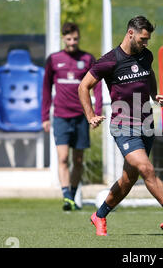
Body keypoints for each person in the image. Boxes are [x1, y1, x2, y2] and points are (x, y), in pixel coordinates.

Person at [78, 16, 163, 236]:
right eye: (143, 39)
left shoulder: (146, 56)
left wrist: (154, 94)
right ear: (130, 34)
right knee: (147, 168)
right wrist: (90, 115)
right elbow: (83, 86)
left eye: (148, 39)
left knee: (128, 180)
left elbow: (149, 74)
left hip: (146, 123)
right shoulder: (110, 60)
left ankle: (99, 215)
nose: (146, 43)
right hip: (123, 125)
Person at [42, 22, 103, 211]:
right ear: (63, 38)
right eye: (68, 39)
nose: (72, 42)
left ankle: (73, 194)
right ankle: (67, 197)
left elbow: (98, 85)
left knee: (78, 160)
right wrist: (45, 116)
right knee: (62, 158)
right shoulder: (53, 59)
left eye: (75, 38)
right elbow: (45, 88)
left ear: (79, 38)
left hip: (80, 117)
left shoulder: (87, 59)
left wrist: (95, 111)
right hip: (60, 116)